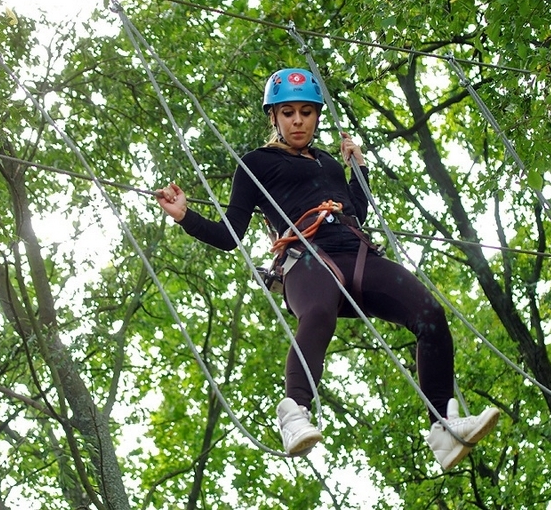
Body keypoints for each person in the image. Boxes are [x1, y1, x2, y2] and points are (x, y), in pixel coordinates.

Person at [156, 68, 499, 469]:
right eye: (288, 113)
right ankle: (294, 413)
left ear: (317, 116)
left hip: (357, 254)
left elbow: (357, 211)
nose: (297, 121)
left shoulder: (328, 163)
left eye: (306, 112)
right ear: (274, 117)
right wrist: (186, 217)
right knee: (318, 313)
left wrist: (359, 170)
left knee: (430, 314)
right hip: (306, 258)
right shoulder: (256, 164)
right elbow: (230, 235)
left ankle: (443, 427)